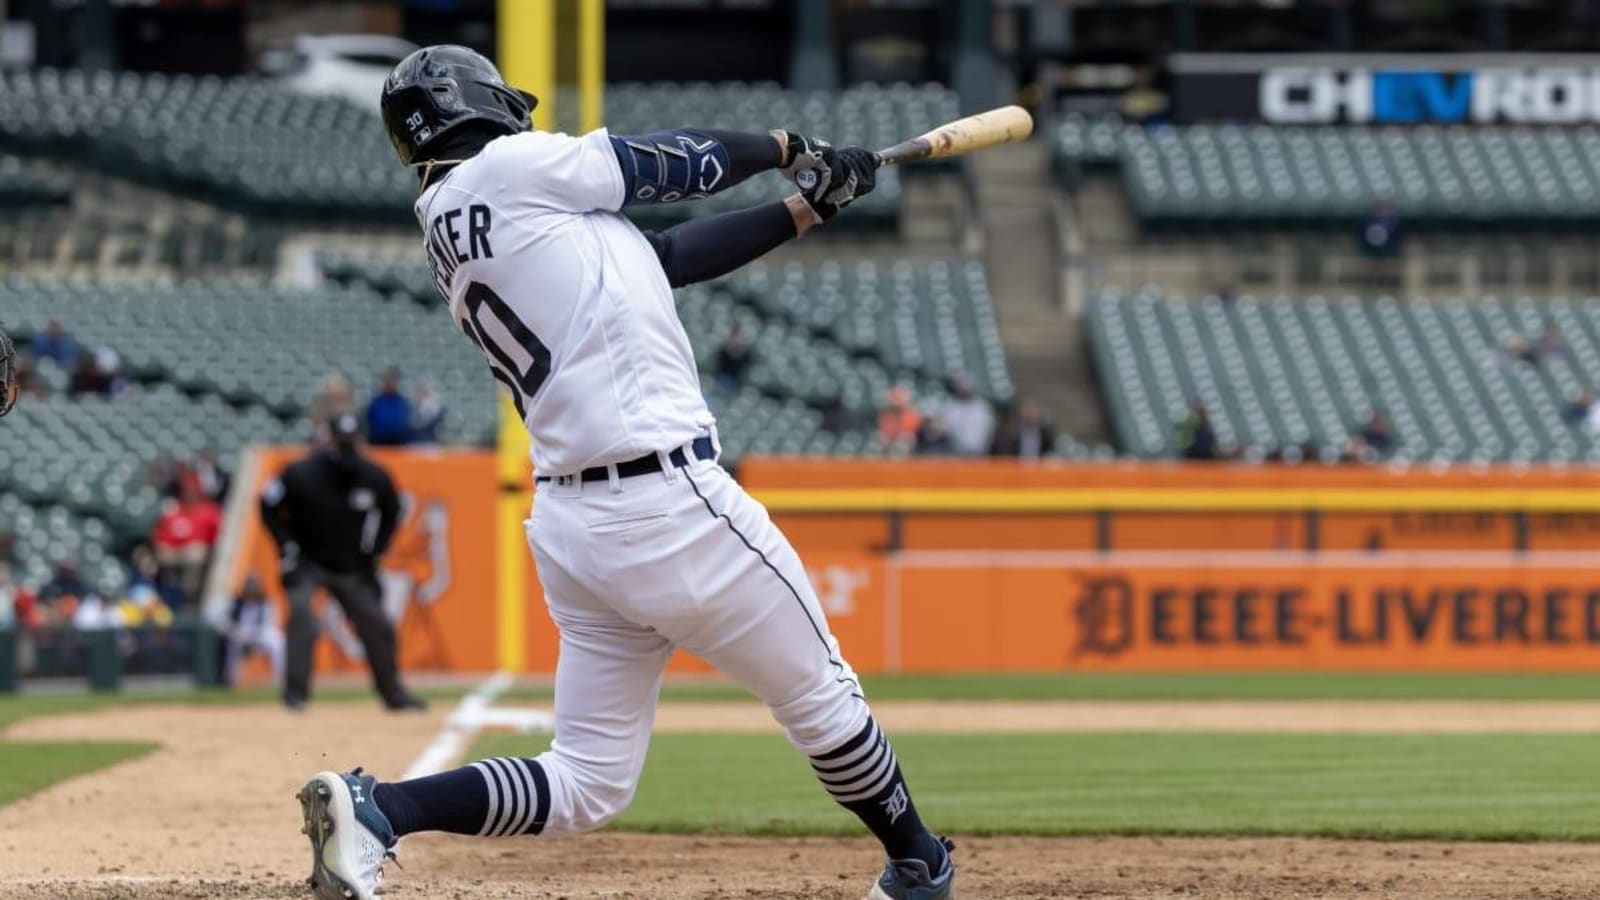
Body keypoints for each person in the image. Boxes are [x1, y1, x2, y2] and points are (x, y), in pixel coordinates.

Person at [293, 46, 954, 900]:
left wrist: (802, 208)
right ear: (479, 103)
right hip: (669, 500)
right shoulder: (512, 166)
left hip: (579, 527)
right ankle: (920, 862)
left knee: (587, 780)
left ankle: (377, 810)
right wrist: (785, 144)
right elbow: (669, 163)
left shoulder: (462, 219)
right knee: (823, 699)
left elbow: (667, 257)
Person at [261, 414, 422, 713]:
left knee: (377, 623)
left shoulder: (374, 475)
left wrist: (375, 550)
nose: (345, 449)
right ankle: (295, 695)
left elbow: (393, 510)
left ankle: (393, 693)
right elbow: (267, 504)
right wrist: (287, 546)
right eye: (340, 442)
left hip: (351, 565)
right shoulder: (299, 472)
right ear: (328, 441)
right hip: (308, 561)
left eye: (351, 442)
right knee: (301, 617)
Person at [225, 574, 285, 687]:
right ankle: (231, 681)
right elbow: (229, 620)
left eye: (254, 585)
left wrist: (254, 637)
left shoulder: (266, 603)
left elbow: (270, 624)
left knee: (278, 641)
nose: (251, 589)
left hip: (261, 635)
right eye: (249, 585)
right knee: (233, 643)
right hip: (242, 635)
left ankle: (281, 680)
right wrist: (237, 631)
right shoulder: (237, 603)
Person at [939, 375, 993, 457]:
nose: (965, 389)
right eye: (962, 386)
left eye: (967, 386)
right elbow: (946, 427)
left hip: (979, 451)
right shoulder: (951, 406)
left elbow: (988, 428)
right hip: (956, 451)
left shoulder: (981, 406)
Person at [992, 399, 1058, 460]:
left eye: (1032, 412)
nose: (1030, 415)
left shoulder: (1045, 433)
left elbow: (1051, 450)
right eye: (1027, 411)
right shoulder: (1014, 432)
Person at [365, 368, 413, 446]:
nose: (392, 383)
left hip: (398, 444)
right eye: (390, 380)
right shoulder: (376, 401)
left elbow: (405, 423)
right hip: (378, 443)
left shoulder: (402, 402)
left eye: (395, 380)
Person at [877, 385, 923, 452]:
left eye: (898, 399)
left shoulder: (912, 414)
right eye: (894, 398)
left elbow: (913, 434)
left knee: (903, 442)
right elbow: (884, 432)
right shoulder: (886, 414)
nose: (896, 402)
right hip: (890, 444)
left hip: (907, 446)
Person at [712, 322, 754, 395]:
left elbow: (746, 369)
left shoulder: (747, 353)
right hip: (722, 380)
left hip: (738, 383)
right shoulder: (723, 350)